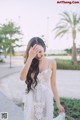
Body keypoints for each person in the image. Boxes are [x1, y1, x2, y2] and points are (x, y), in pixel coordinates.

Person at [20, 37, 65, 120]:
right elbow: (22, 78)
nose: (38, 55)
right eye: (35, 53)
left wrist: (58, 103)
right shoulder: (30, 62)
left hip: (46, 97)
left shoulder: (52, 63)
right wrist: (30, 58)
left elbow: (53, 84)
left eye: (40, 51)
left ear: (44, 48)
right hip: (32, 98)